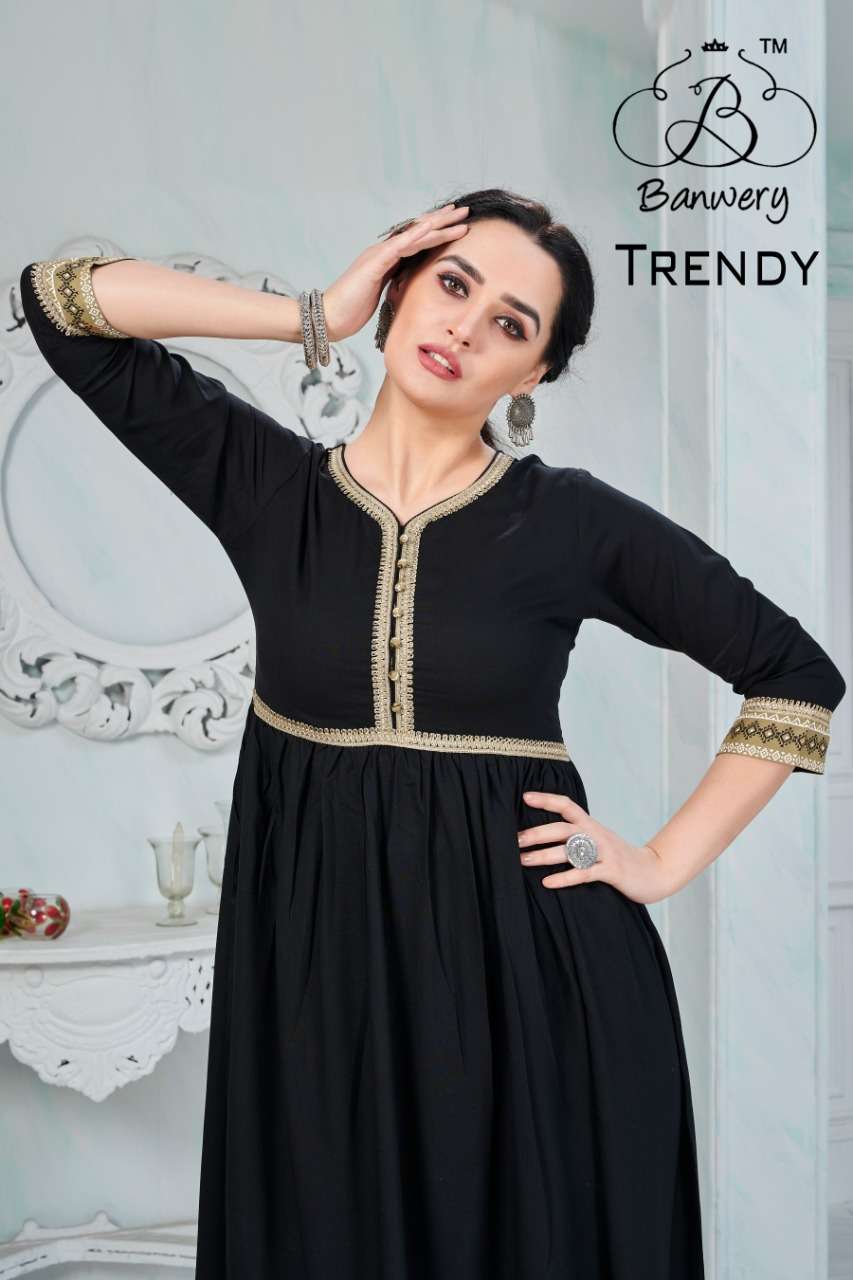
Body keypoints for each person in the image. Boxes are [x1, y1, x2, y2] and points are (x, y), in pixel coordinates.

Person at [19, 187, 846, 1280]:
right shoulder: (267, 489)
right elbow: (61, 301)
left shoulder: (571, 521)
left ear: (533, 374)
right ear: (399, 288)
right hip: (321, 982)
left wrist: (658, 861)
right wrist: (314, 312)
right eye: (452, 284)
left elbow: (795, 675)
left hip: (531, 989)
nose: (463, 326)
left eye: (511, 322)